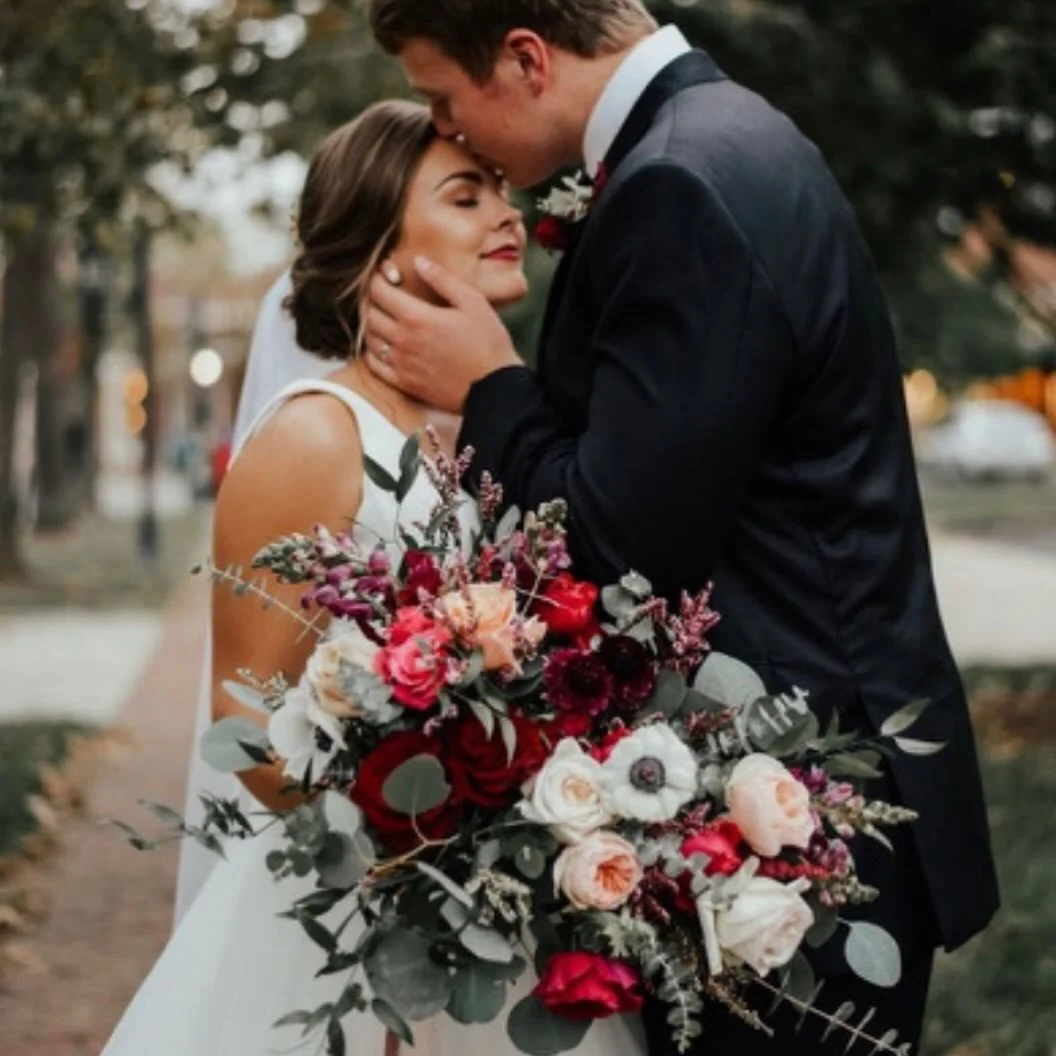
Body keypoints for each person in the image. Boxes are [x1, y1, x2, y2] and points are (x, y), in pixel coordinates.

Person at [361, 2, 999, 1053]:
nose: (452, 130)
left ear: (525, 58)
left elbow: (623, 550)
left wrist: (488, 386)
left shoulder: (678, 186)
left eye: (445, 99)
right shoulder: (726, 135)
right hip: (803, 792)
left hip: (795, 829)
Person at [102, 100, 644, 1056]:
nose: (507, 216)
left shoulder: (494, 431)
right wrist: (429, 825)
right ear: (380, 249)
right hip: (362, 920)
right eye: (465, 196)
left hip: (505, 901)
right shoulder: (316, 436)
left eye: (503, 193)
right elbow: (244, 726)